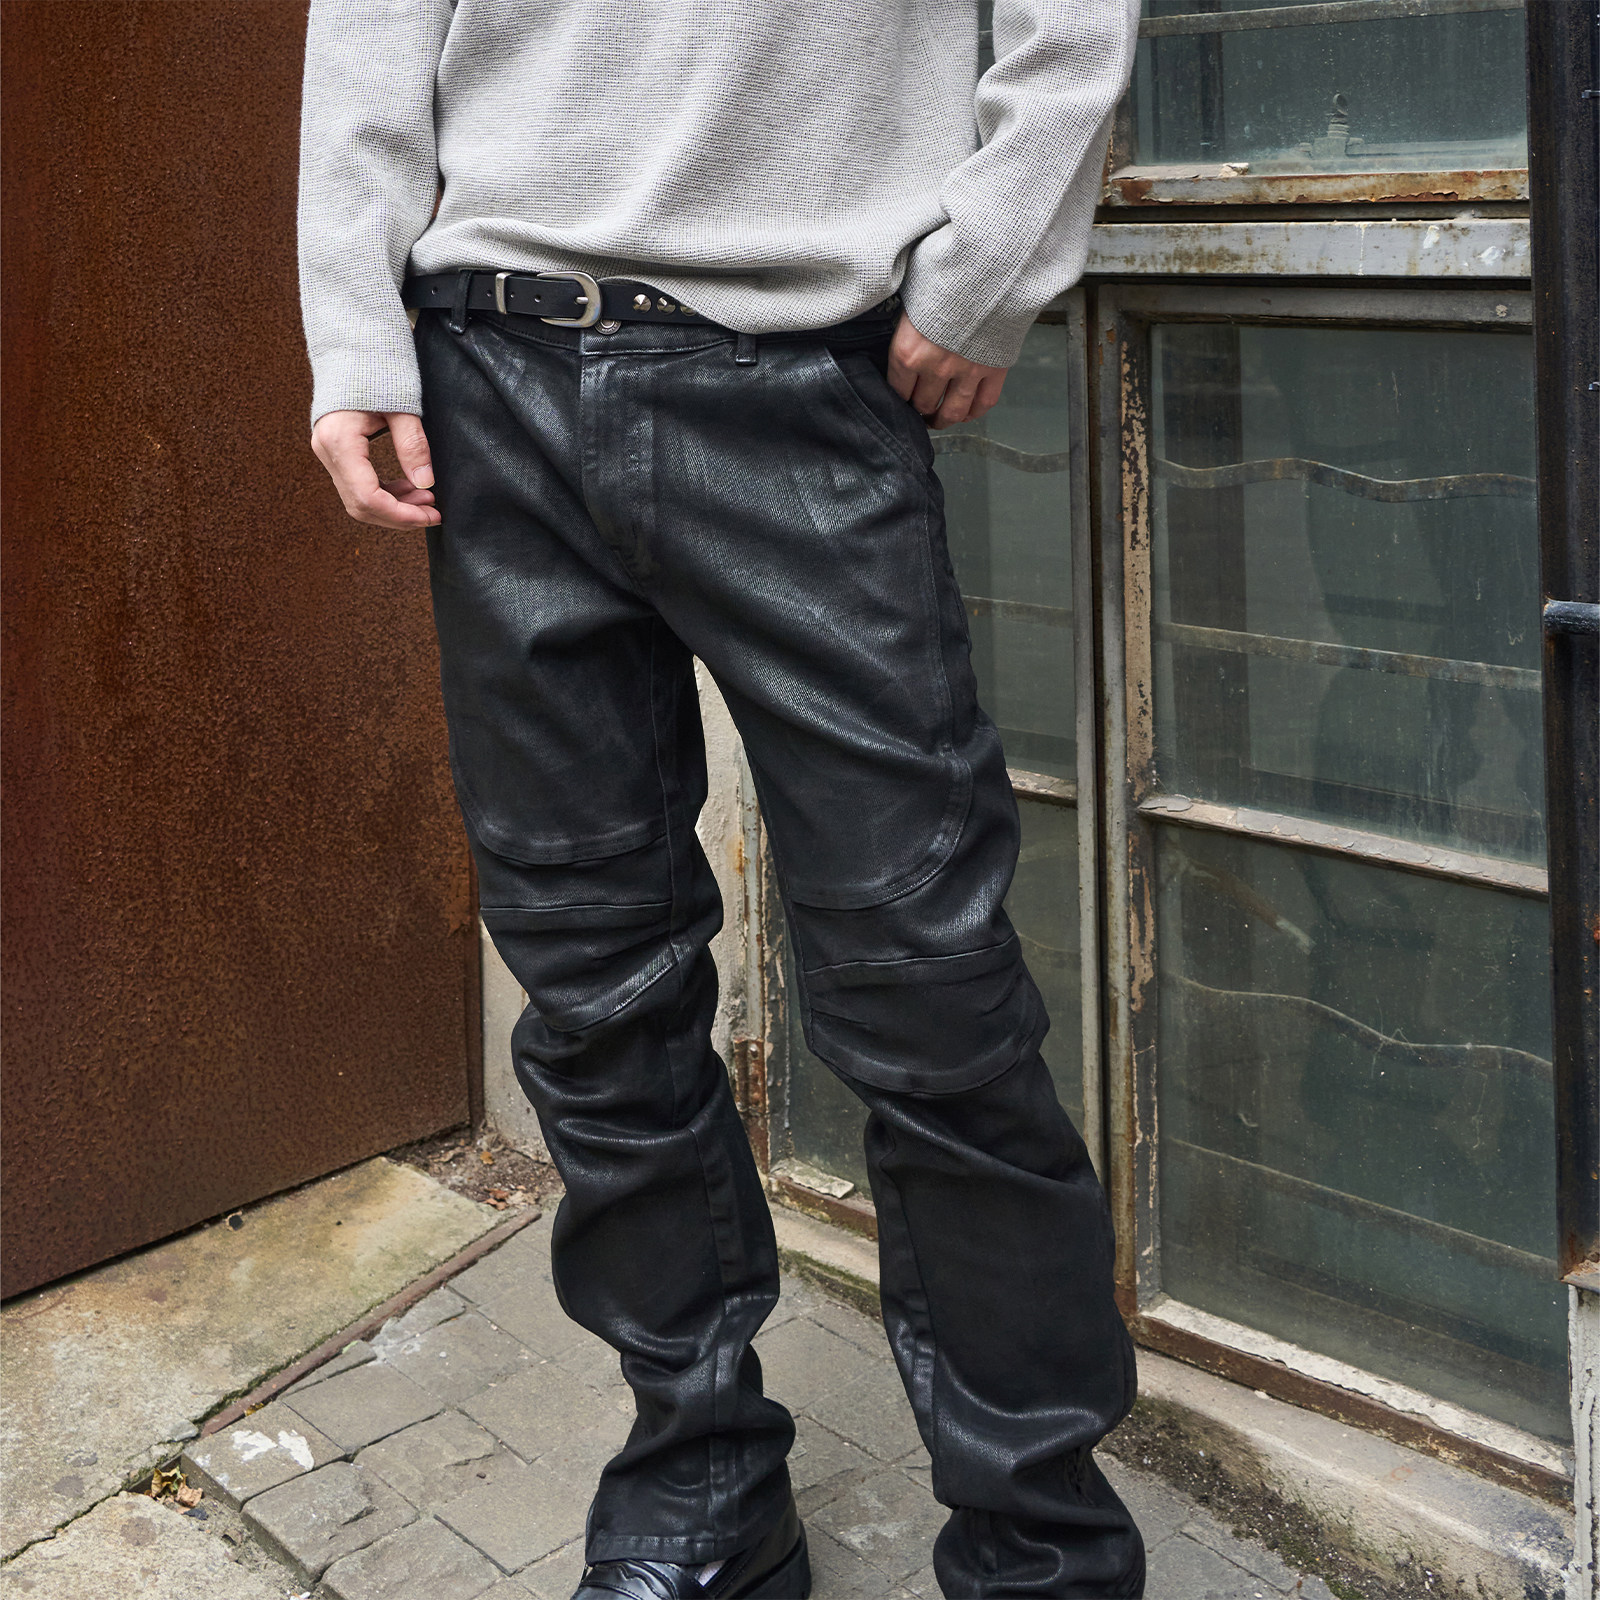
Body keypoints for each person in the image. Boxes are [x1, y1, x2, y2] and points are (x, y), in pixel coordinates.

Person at [298, 3, 1142, 1594]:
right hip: (488, 376)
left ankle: (1045, 1544)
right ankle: (702, 1490)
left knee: (934, 991)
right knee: (593, 990)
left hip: (796, 371)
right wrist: (353, 328)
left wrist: (988, 262)